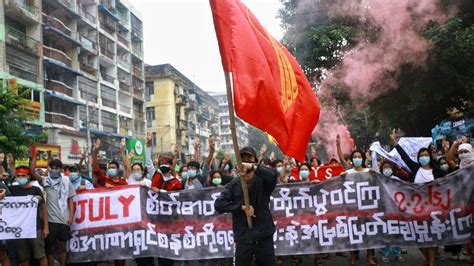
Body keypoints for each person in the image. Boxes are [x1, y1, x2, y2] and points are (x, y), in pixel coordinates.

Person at [215, 146, 277, 266]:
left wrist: (253, 167)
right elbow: (219, 204)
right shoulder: (234, 184)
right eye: (242, 159)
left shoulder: (263, 181)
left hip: (263, 236)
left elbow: (273, 176)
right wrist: (241, 207)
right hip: (243, 238)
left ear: (254, 161)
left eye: (249, 159)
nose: (245, 162)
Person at [390, 129, 442, 266]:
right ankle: (427, 257)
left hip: (434, 209)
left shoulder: (437, 171)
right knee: (418, 238)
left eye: (426, 155)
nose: (423, 157)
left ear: (430, 156)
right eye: (421, 155)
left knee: (432, 238)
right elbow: (404, 156)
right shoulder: (414, 168)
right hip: (416, 209)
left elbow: (450, 180)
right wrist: (395, 143)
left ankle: (431, 262)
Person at [10, 166, 48, 266]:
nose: (20, 178)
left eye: (23, 175)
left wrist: (46, 227)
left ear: (28, 176)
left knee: (41, 255)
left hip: (36, 228)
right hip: (19, 229)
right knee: (23, 258)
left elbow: (44, 209)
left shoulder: (36, 190)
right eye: (18, 176)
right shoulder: (12, 190)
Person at [42, 159, 75, 266]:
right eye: (52, 167)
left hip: (63, 220)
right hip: (50, 221)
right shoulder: (45, 181)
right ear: (49, 169)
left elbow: (70, 199)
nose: (54, 170)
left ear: (60, 169)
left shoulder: (66, 181)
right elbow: (32, 172)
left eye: (56, 168)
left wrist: (71, 216)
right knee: (50, 248)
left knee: (62, 247)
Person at [379, 161, 405, 262]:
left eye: (389, 167)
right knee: (385, 233)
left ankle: (397, 253)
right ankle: (385, 253)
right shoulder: (379, 180)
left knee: (396, 233)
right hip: (383, 211)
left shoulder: (396, 179)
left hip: (395, 211)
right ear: (381, 170)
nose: (387, 169)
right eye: (384, 167)